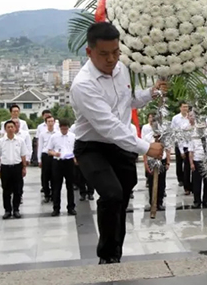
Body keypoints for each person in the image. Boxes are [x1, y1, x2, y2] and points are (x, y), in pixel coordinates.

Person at [70, 22, 165, 264]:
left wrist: (150, 93)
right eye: (104, 54)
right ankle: (107, 256)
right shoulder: (83, 84)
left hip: (120, 146)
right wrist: (146, 148)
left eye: (115, 52)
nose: (111, 59)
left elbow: (128, 100)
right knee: (111, 194)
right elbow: (109, 126)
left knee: (121, 198)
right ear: (89, 52)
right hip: (92, 147)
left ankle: (116, 252)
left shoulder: (122, 69)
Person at [0, 120, 28, 219]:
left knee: (18, 190)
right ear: (5, 129)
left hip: (17, 167)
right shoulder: (0, 142)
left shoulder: (20, 141)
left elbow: (23, 155)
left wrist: (24, 167)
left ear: (15, 128)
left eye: (12, 127)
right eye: (8, 127)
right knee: (6, 190)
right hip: (5, 168)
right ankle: (7, 210)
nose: (10, 129)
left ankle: (16, 209)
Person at [46, 119, 77, 216]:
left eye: (66, 129)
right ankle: (56, 208)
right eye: (63, 129)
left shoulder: (73, 136)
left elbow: (76, 149)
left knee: (70, 186)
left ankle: (71, 207)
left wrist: (75, 158)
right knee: (56, 186)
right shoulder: (54, 136)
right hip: (58, 162)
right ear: (60, 128)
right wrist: (55, 153)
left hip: (69, 162)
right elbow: (49, 150)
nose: (64, 131)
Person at [188, 113, 207, 209]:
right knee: (196, 183)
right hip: (197, 160)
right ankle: (197, 201)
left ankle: (206, 201)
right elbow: (191, 151)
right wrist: (191, 163)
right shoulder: (194, 136)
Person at [142, 113, 168, 211]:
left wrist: (168, 161)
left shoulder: (163, 136)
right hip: (151, 160)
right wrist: (145, 163)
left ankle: (160, 202)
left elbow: (168, 149)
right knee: (152, 182)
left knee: (161, 182)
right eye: (154, 123)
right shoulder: (147, 137)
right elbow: (144, 151)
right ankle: (152, 203)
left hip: (162, 160)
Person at [171, 102, 192, 194]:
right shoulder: (175, 118)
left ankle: (188, 184)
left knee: (188, 166)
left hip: (189, 144)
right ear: (180, 108)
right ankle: (180, 179)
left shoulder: (190, 117)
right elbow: (173, 131)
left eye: (186, 107)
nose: (185, 108)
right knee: (179, 163)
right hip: (179, 142)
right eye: (183, 107)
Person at [37, 115, 58, 203]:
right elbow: (40, 146)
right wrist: (39, 159)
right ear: (46, 123)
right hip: (45, 155)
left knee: (55, 176)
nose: (50, 123)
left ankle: (54, 194)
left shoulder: (57, 133)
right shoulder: (42, 134)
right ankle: (46, 194)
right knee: (45, 176)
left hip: (54, 156)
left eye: (52, 121)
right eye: (49, 121)